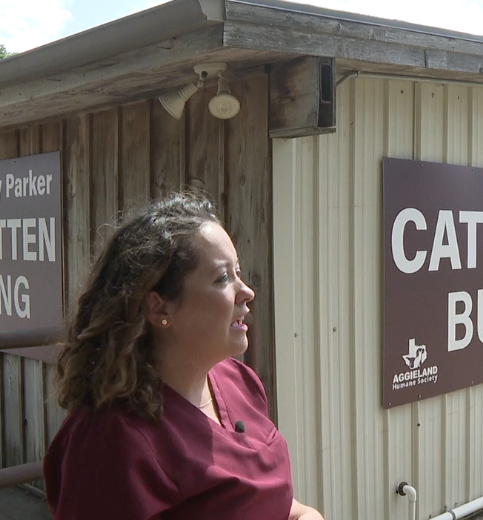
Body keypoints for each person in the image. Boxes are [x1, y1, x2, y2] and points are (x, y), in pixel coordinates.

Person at [43, 192, 324, 520]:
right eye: (222, 278)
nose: (247, 291)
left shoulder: (239, 382)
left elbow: (277, 505)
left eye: (238, 272)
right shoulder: (109, 439)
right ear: (159, 308)